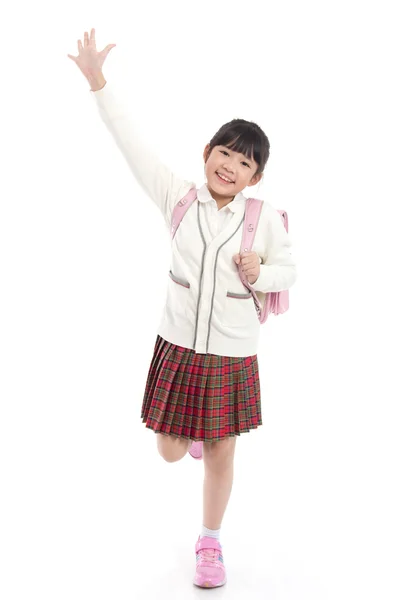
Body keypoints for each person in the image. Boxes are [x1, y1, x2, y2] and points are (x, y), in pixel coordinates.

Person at [68, 28, 297, 589]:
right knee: (170, 452)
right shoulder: (179, 197)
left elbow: (288, 272)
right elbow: (133, 144)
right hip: (178, 345)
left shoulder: (264, 216)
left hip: (231, 354)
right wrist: (100, 83)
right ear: (208, 154)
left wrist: (259, 272)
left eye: (244, 162)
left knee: (222, 448)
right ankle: (187, 436)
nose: (230, 166)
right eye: (224, 153)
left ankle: (210, 542)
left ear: (255, 176)